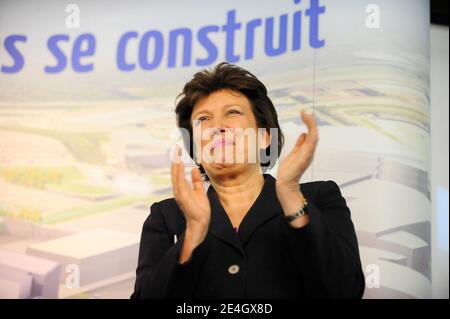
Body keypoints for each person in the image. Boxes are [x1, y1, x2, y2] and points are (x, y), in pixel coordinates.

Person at [131, 62, 365, 299]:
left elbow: (345, 291)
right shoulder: (167, 216)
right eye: (203, 119)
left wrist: (291, 197)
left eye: (232, 112)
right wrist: (192, 236)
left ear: (264, 137)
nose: (217, 128)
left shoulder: (318, 198)